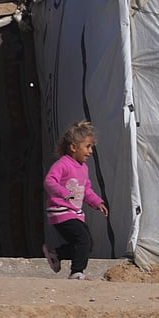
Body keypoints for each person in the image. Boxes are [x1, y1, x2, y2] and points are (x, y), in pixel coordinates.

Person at [43, 120, 109, 280]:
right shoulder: (63, 164)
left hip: (74, 212)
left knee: (87, 244)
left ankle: (56, 253)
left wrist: (97, 202)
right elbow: (49, 181)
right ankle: (76, 272)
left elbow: (86, 189)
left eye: (91, 147)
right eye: (87, 146)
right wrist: (63, 193)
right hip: (61, 211)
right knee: (82, 240)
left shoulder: (83, 168)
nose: (90, 151)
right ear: (73, 147)